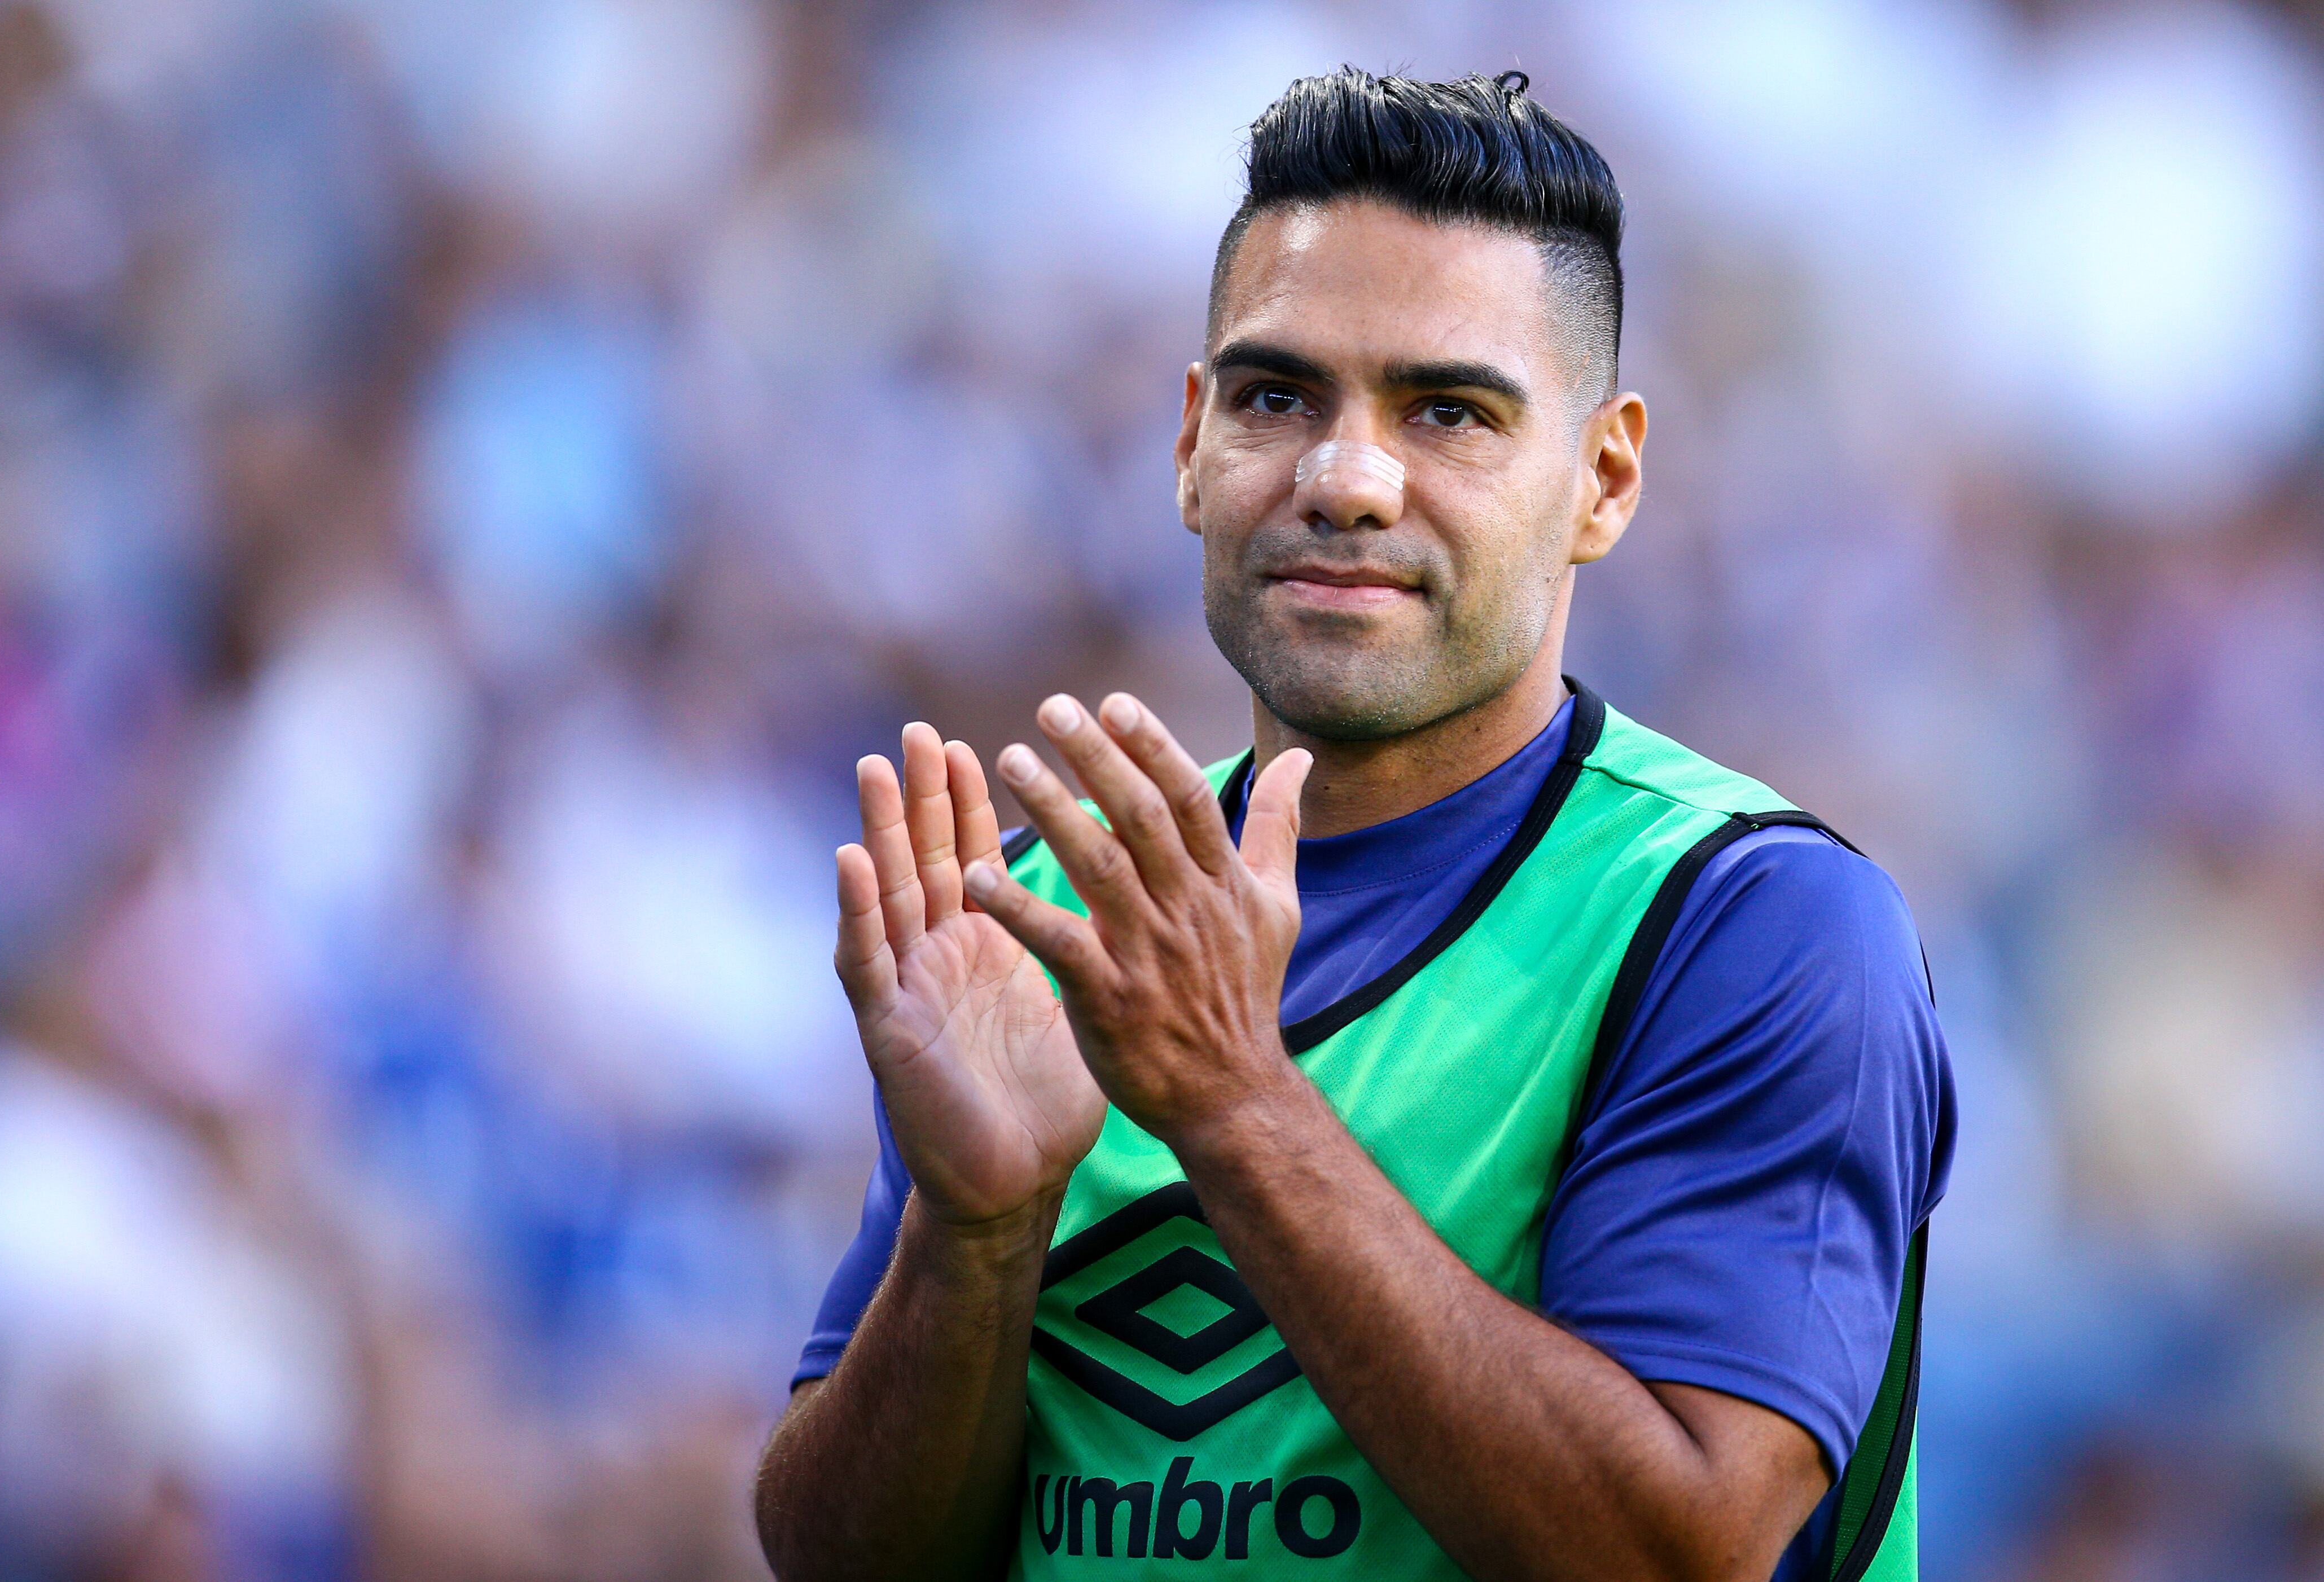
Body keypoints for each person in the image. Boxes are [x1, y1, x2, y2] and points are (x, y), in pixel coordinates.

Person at [754, 68, 1953, 1582]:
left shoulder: (1748, 922)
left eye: (1447, 410)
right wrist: (976, 1232)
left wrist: (1233, 1104)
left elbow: (1682, 1550)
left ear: (1604, 476)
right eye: (1276, 397)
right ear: (1192, 444)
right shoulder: (1049, 918)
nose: (1346, 477)